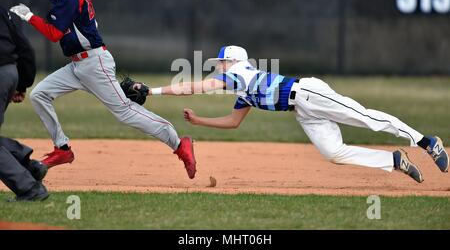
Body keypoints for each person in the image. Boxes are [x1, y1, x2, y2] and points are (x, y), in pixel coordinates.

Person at [9, 0, 196, 179]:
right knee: (40, 94)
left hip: (94, 63)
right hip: (77, 65)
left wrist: (29, 16)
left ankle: (179, 143)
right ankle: (62, 149)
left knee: (125, 111)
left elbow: (53, 34)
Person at [145, 45, 448, 183]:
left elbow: (198, 86)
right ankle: (393, 160)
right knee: (333, 152)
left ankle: (426, 142)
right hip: (302, 109)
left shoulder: (238, 72)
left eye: (220, 63)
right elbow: (234, 122)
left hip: (307, 93)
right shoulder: (243, 89)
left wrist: (155, 91)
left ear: (231, 62)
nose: (218, 66)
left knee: (367, 118)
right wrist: (199, 121)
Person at [0, 5, 49, 201]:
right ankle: (29, 166)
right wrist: (21, 83)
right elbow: (23, 46)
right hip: (9, 71)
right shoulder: (2, 11)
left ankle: (29, 188)